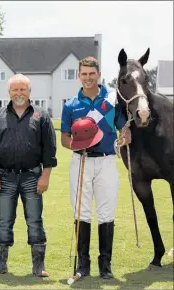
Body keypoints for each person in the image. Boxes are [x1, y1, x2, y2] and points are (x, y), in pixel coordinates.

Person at [60, 56, 132, 280]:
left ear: (98, 75)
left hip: (107, 161)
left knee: (106, 212)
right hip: (80, 161)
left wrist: (126, 134)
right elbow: (64, 137)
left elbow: (123, 128)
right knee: (81, 211)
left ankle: (105, 265)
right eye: (84, 74)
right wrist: (76, 145)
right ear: (79, 75)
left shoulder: (112, 100)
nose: (88, 78)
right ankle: (83, 265)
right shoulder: (71, 104)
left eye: (92, 74)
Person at [0, 73, 57, 277]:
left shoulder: (41, 116)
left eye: (22, 89)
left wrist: (45, 176)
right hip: (5, 177)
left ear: (29, 91)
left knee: (34, 220)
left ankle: (38, 266)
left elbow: (49, 150)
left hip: (33, 177)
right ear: (9, 92)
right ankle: (0, 266)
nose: (19, 93)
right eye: (15, 89)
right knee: (4, 220)